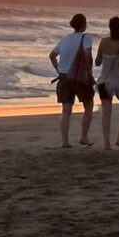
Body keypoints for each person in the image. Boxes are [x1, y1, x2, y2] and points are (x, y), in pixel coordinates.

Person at [49, 13, 94, 147]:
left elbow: (52, 56)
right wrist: (89, 72)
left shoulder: (65, 38)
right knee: (88, 106)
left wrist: (58, 69)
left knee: (66, 110)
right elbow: (88, 56)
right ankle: (84, 137)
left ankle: (65, 142)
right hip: (79, 77)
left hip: (64, 78)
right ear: (83, 24)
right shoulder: (86, 38)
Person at [95, 16, 119, 149]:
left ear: (109, 27)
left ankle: (106, 143)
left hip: (105, 82)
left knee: (106, 113)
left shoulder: (103, 42)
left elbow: (98, 62)